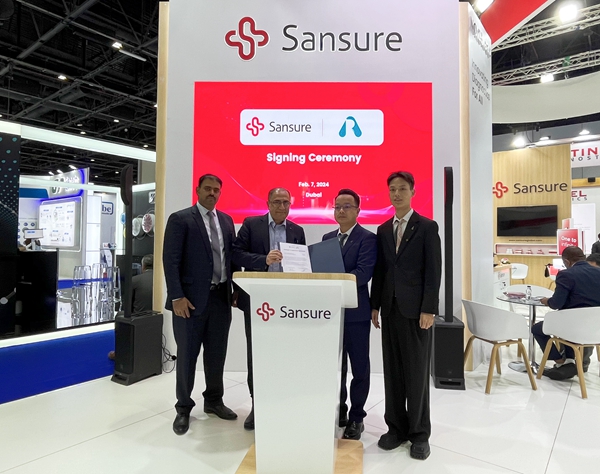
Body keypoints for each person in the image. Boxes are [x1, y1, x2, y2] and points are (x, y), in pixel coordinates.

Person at [370, 171, 442, 461]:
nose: (397, 194)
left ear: (412, 192)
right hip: (390, 309)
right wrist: (375, 305)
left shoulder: (427, 227)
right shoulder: (383, 230)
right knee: (393, 373)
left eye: (402, 188)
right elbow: (381, 271)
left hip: (416, 312)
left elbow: (433, 271)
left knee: (416, 374)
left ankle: (419, 434)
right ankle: (395, 429)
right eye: (392, 189)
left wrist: (429, 308)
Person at [163, 174, 238, 436]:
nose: (212, 193)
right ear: (197, 190)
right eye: (208, 188)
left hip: (220, 299)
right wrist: (176, 297)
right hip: (189, 302)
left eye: (216, 190)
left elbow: (231, 260)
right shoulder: (181, 219)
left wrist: (236, 291)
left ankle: (214, 401)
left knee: (216, 354)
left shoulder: (226, 221)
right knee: (187, 356)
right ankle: (183, 407)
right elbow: (170, 260)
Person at [232, 187, 306, 430]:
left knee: (284, 353)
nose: (282, 206)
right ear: (268, 203)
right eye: (277, 202)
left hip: (287, 303)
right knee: (257, 354)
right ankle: (258, 405)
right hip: (257, 299)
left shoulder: (297, 231)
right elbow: (236, 254)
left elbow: (302, 265)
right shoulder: (251, 225)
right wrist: (263, 260)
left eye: (286, 202)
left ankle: (282, 402)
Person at [322, 189, 376, 441]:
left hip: (356, 314)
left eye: (347, 206)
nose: (341, 211)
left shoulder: (367, 239)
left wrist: (334, 279)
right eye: (337, 207)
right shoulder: (327, 238)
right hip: (330, 313)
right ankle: (340, 408)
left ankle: (357, 417)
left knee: (359, 367)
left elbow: (363, 273)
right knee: (336, 367)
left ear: (357, 210)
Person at [533, 246, 600, 380]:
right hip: (596, 328)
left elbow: (556, 304)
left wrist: (546, 300)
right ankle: (570, 361)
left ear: (567, 261)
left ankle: (560, 362)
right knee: (567, 326)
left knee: (537, 329)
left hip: (572, 327)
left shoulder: (566, 274)